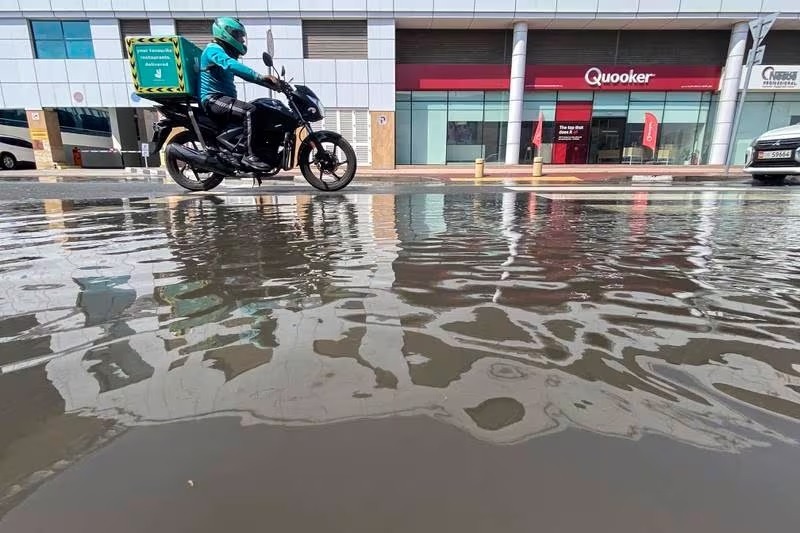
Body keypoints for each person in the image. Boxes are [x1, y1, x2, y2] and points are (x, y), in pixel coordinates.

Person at [199, 17, 281, 170]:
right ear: (225, 33)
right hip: (212, 99)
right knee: (249, 111)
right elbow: (232, 66)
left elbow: (243, 74)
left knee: (262, 110)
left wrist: (270, 84)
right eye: (238, 35)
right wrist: (261, 77)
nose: (241, 40)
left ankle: (252, 151)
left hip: (223, 99)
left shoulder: (223, 52)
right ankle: (249, 156)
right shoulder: (213, 50)